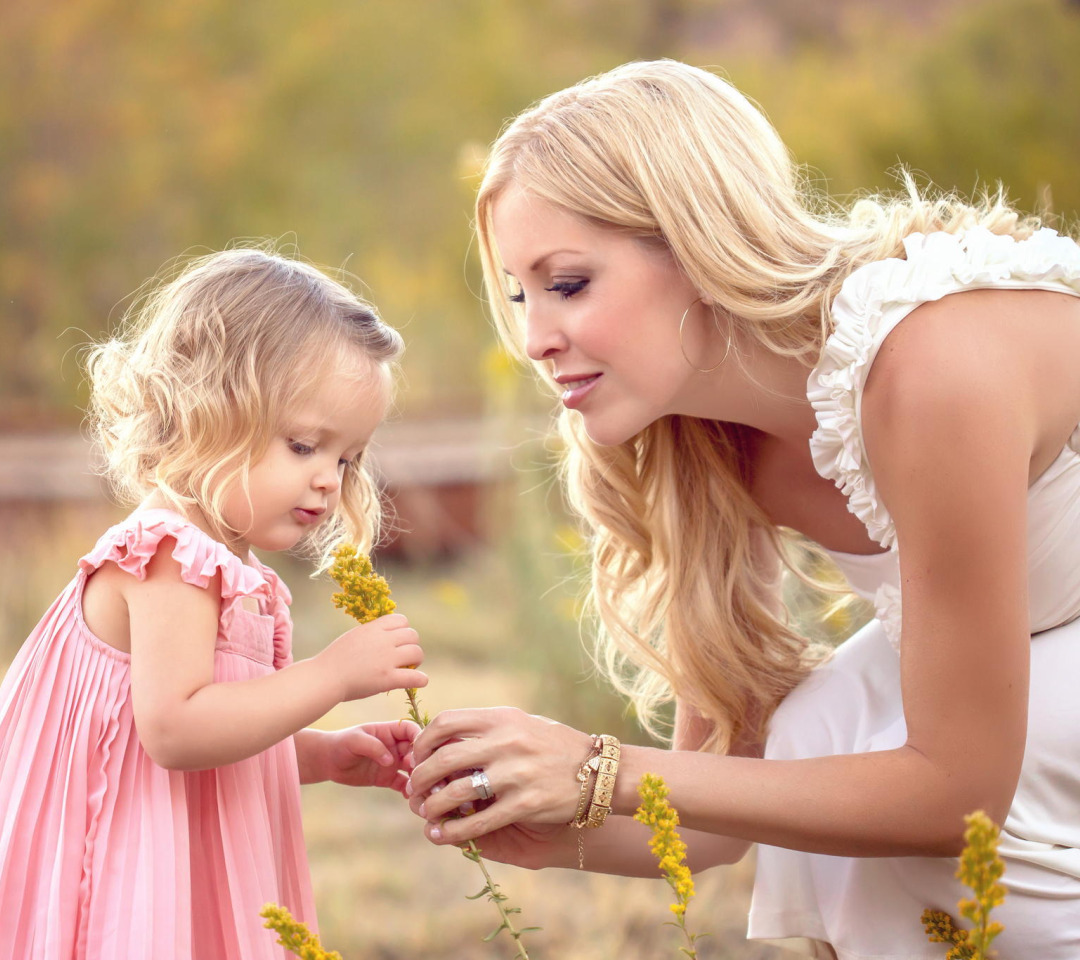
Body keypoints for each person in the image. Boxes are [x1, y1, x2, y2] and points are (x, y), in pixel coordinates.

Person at [406, 59, 1080, 958]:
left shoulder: (928, 371)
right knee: (818, 726)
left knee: (954, 791)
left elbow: (958, 794)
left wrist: (600, 766)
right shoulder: (704, 446)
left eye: (567, 284)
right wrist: (538, 817)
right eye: (519, 296)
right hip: (1043, 640)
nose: (533, 339)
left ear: (694, 244)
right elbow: (712, 812)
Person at [0, 248, 427, 959]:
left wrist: (319, 756)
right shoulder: (170, 555)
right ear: (209, 409)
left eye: (347, 458)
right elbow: (174, 731)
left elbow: (218, 730)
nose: (328, 481)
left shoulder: (230, 566)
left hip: (178, 847)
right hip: (127, 867)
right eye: (303, 445)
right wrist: (331, 677)